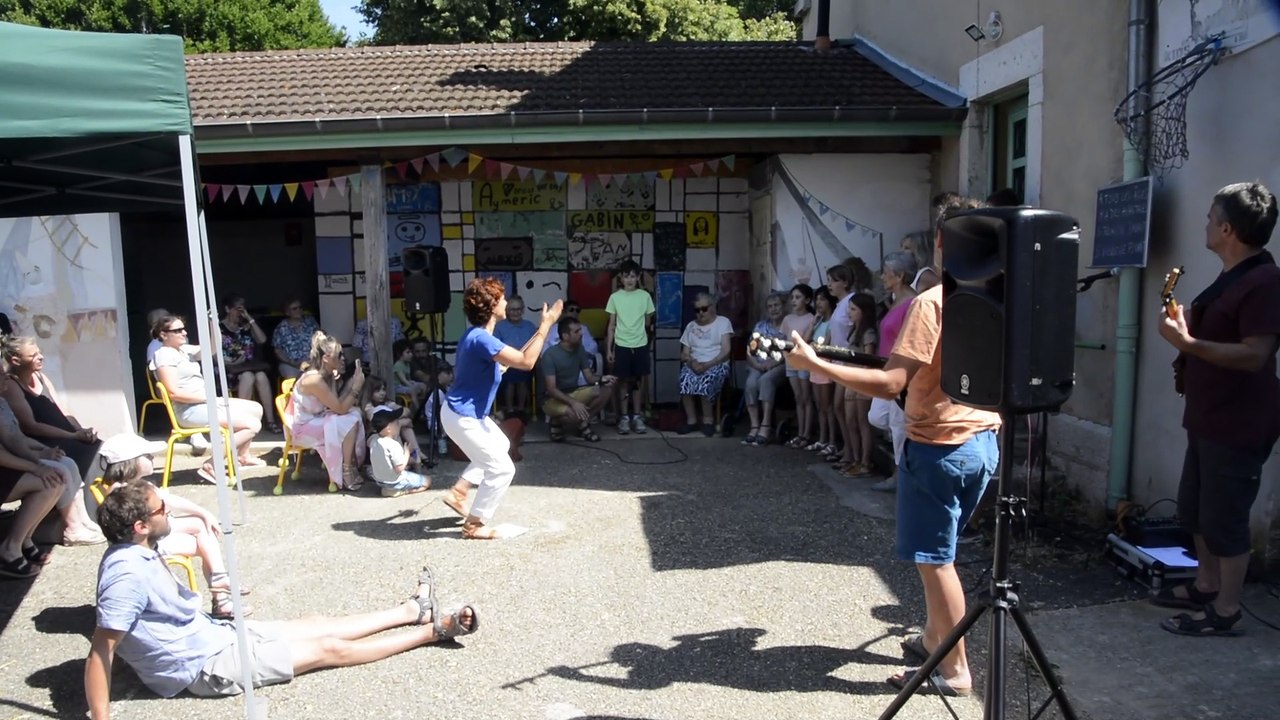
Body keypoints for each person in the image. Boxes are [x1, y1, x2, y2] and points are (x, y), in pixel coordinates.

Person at [785, 195, 995, 697]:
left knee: (936, 561)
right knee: (940, 554)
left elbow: (891, 383)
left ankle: (955, 671)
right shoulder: (996, 295)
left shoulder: (932, 302)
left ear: (940, 242)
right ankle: (933, 641)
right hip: (983, 441)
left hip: (939, 447)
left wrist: (817, 365)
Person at [85, 482, 477, 718]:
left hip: (212, 635)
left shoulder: (139, 546)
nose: (169, 510)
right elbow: (102, 650)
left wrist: (202, 516)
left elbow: (180, 526)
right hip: (200, 665)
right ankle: (432, 631)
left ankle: (410, 610)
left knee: (316, 624)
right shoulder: (126, 575)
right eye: (162, 509)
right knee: (327, 648)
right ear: (141, 526)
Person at [1152, 182, 1280, 636]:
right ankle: (1205, 585)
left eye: (1210, 218)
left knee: (1225, 519)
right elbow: (1215, 334)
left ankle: (1227, 611)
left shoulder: (1265, 282)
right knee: (1195, 510)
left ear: (1227, 229)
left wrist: (1189, 343)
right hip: (1208, 415)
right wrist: (1184, 329)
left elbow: (1255, 354)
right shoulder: (1232, 276)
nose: (1205, 224)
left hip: (1238, 421)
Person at [438, 278, 561, 540]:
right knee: (502, 469)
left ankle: (459, 491)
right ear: (493, 305)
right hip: (462, 416)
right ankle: (474, 525)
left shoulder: (477, 336)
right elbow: (527, 362)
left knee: (501, 445)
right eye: (502, 298)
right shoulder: (482, 339)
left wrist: (498, 368)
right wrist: (546, 325)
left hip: (462, 413)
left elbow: (484, 367)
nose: (506, 301)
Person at [96, 432, 251, 617]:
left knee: (203, 527)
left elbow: (171, 502)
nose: (152, 458)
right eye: (147, 455)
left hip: (152, 535)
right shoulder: (123, 494)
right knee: (206, 543)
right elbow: (155, 519)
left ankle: (220, 586)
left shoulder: (135, 486)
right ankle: (220, 595)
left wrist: (204, 513)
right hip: (143, 545)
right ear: (131, 462)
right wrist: (202, 515)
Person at [151, 315, 263, 482]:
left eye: (183, 328)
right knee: (252, 425)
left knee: (256, 409)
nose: (184, 332)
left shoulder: (184, 350)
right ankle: (212, 464)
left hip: (205, 403)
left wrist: (212, 322)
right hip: (189, 410)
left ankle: (243, 456)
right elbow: (173, 393)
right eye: (178, 330)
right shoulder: (164, 355)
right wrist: (206, 398)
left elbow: (213, 347)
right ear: (163, 334)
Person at [0, 370, 103, 545]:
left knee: (67, 464)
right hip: (6, 471)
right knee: (56, 475)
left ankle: (81, 520)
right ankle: (70, 528)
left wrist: (43, 451)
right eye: (1, 374)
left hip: (14, 462)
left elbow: (17, 439)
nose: (6, 377)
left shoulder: (2, 403)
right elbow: (9, 448)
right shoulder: (12, 390)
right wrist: (36, 464)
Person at [2, 334, 102, 480]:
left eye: (39, 352)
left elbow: (62, 409)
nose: (40, 357)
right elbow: (31, 426)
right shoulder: (11, 386)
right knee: (93, 457)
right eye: (33, 356)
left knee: (101, 448)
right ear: (16, 361)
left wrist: (80, 430)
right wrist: (73, 436)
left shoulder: (40, 376)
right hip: (48, 442)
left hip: (69, 436)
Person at [867, 250, 919, 492]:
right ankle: (905, 466)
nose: (881, 277)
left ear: (899, 275)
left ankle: (901, 476)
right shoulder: (896, 301)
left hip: (899, 371)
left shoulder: (912, 303)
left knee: (898, 425)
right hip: (886, 368)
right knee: (878, 416)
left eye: (885, 273)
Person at [289, 331, 367, 491]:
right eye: (339, 355)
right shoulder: (314, 380)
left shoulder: (325, 375)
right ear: (326, 358)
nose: (343, 358)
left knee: (355, 413)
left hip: (317, 419)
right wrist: (356, 388)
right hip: (303, 427)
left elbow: (336, 404)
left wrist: (347, 383)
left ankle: (352, 464)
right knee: (349, 420)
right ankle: (346, 471)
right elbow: (340, 409)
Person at [144, 308, 209, 454]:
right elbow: (157, 372)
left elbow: (206, 350)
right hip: (171, 387)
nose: (182, 332)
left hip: (191, 387)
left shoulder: (182, 345)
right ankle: (196, 433)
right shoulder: (156, 348)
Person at [542, 317, 616, 442]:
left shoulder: (580, 349)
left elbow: (590, 378)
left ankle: (581, 423)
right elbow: (551, 389)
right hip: (550, 399)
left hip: (573, 392)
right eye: (576, 331)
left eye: (580, 330)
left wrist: (603, 379)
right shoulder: (550, 355)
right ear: (565, 336)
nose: (581, 334)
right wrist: (574, 403)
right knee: (574, 413)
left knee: (606, 389)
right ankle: (558, 422)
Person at [606, 260, 655, 435]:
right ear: (621, 278)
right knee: (623, 382)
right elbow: (611, 325)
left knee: (638, 382)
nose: (629, 280)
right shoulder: (615, 297)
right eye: (626, 276)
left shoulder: (645, 296)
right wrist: (609, 349)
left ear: (638, 277)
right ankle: (624, 417)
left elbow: (648, 323)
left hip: (640, 344)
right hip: (621, 345)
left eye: (633, 276)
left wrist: (645, 341)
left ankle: (637, 416)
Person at [218, 294, 279, 433]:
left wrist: (250, 319)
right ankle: (241, 422)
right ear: (227, 309)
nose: (240, 312)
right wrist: (230, 361)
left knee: (261, 376)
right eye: (237, 309)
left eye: (242, 309)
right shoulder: (219, 328)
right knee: (248, 376)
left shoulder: (245, 325)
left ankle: (270, 421)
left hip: (248, 365)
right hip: (230, 369)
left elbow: (262, 339)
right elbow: (214, 354)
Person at [676, 292, 734, 437]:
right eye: (697, 310)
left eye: (704, 309)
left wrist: (708, 364)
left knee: (705, 380)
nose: (701, 313)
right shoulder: (691, 326)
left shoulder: (723, 322)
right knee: (684, 379)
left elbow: (726, 350)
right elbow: (684, 353)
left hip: (717, 363)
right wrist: (692, 362)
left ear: (712, 307)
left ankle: (708, 420)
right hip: (694, 364)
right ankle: (692, 421)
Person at [840, 293, 880, 477]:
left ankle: (866, 462)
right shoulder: (853, 331)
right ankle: (856, 459)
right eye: (849, 308)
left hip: (861, 383)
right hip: (851, 381)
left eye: (853, 309)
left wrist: (855, 382)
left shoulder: (868, 332)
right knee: (850, 421)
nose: (849, 312)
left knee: (862, 422)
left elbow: (868, 360)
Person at [741, 292, 788, 446]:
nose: (773, 309)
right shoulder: (760, 326)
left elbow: (791, 351)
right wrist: (757, 365)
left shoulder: (788, 326)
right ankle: (754, 425)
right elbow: (750, 350)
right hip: (758, 364)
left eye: (777, 305)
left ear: (783, 306)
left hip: (780, 364)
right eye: (770, 307)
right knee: (751, 383)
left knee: (766, 381)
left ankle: (766, 425)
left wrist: (772, 363)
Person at [824, 265, 855, 466]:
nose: (830, 285)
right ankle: (848, 448)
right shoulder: (839, 304)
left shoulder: (851, 301)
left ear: (845, 282)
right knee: (839, 408)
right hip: (837, 361)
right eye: (829, 280)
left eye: (834, 280)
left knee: (843, 408)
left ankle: (851, 452)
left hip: (847, 362)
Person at [367, 408, 431, 498]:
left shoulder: (374, 442)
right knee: (428, 481)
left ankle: (387, 489)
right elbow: (400, 468)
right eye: (397, 423)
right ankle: (402, 491)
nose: (399, 424)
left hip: (380, 481)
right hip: (395, 481)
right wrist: (407, 452)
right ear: (389, 429)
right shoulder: (393, 444)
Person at [804, 286, 838, 456]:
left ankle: (832, 441)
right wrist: (813, 323)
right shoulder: (818, 322)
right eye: (816, 299)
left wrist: (815, 346)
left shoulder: (832, 323)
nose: (818, 303)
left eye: (822, 299)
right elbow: (804, 341)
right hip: (814, 367)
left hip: (825, 367)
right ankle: (822, 439)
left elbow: (827, 346)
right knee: (819, 406)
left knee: (828, 406)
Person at [492, 295, 538, 417]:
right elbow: (496, 345)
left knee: (522, 378)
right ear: (507, 311)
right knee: (511, 378)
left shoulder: (530, 326)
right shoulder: (500, 326)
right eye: (512, 309)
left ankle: (521, 409)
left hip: (525, 362)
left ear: (523, 310)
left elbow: (535, 345)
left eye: (518, 309)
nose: (515, 312)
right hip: (506, 362)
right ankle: (510, 409)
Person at [361, 375, 423, 467]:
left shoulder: (387, 403)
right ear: (369, 392)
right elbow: (380, 420)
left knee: (403, 425)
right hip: (376, 434)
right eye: (377, 391)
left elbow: (405, 411)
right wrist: (400, 422)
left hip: (391, 429)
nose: (382, 393)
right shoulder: (368, 406)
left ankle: (417, 452)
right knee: (401, 424)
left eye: (383, 390)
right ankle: (405, 459)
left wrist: (398, 418)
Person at [781, 284, 816, 449]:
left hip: (804, 363)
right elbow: (783, 339)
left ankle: (806, 434)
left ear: (807, 300)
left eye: (798, 297)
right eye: (792, 297)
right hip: (790, 363)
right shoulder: (788, 319)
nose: (794, 301)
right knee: (798, 398)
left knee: (806, 398)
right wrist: (785, 356)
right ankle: (800, 432)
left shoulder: (811, 318)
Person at [271, 298, 321, 380]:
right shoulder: (281, 328)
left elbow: (320, 340)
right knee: (291, 376)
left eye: (300, 307)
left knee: (319, 374)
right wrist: (292, 362)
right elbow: (278, 350)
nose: (299, 310)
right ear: (287, 312)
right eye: (295, 309)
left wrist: (313, 360)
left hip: (311, 361)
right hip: (290, 364)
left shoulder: (310, 322)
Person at [392, 338, 428, 413]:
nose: (411, 354)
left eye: (411, 352)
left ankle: (423, 405)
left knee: (423, 385)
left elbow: (408, 379)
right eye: (408, 352)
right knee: (413, 390)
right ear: (399, 354)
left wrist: (414, 384)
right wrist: (412, 386)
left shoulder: (407, 364)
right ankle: (418, 410)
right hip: (397, 386)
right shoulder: (398, 365)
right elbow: (403, 380)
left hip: (405, 385)